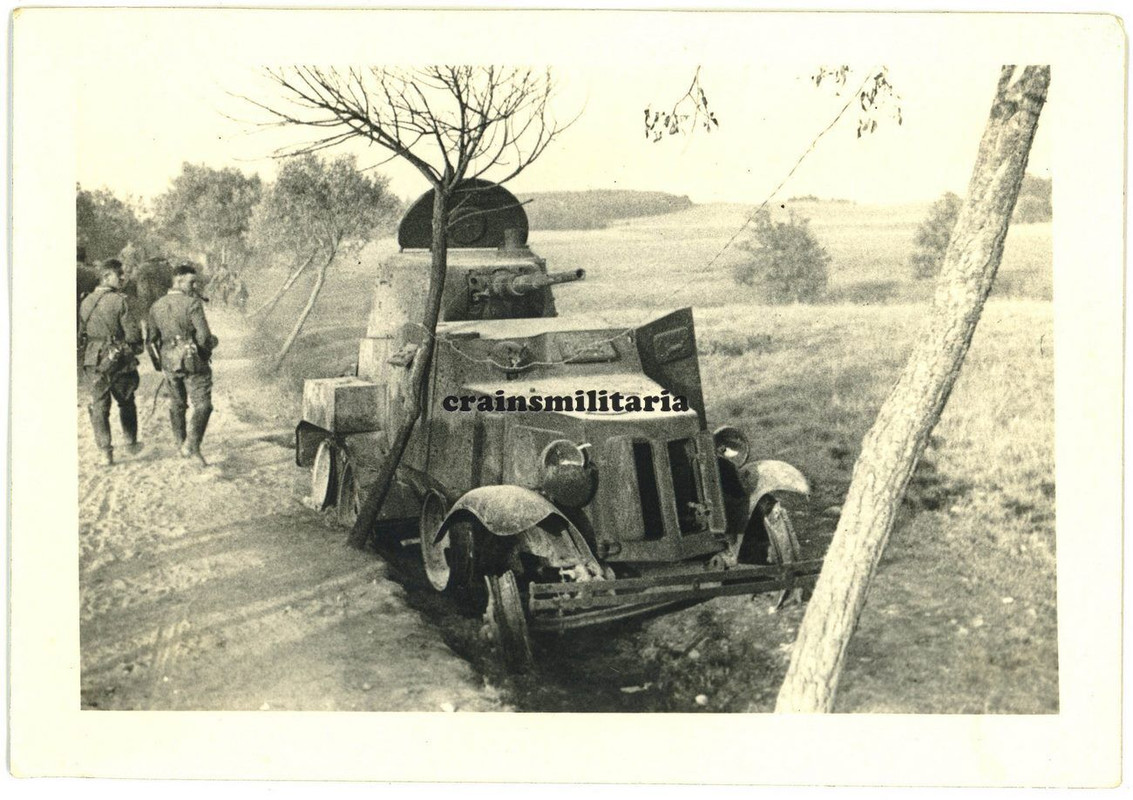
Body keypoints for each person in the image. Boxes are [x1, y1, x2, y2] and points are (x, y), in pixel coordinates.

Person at [147, 263, 219, 466]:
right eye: (191, 281)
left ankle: (181, 445)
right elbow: (204, 337)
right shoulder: (192, 304)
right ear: (178, 280)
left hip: (169, 361)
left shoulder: (156, 305)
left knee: (177, 404)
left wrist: (159, 363)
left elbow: (151, 340)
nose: (194, 285)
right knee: (203, 405)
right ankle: (192, 445)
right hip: (192, 360)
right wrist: (206, 353)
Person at [78, 259, 143, 466]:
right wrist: (135, 348)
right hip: (119, 358)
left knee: (99, 406)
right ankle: (130, 443)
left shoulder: (86, 302)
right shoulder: (120, 301)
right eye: (119, 274)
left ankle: (105, 452)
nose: (123, 278)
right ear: (106, 277)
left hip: (93, 359)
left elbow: (82, 334)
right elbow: (132, 335)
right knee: (126, 401)